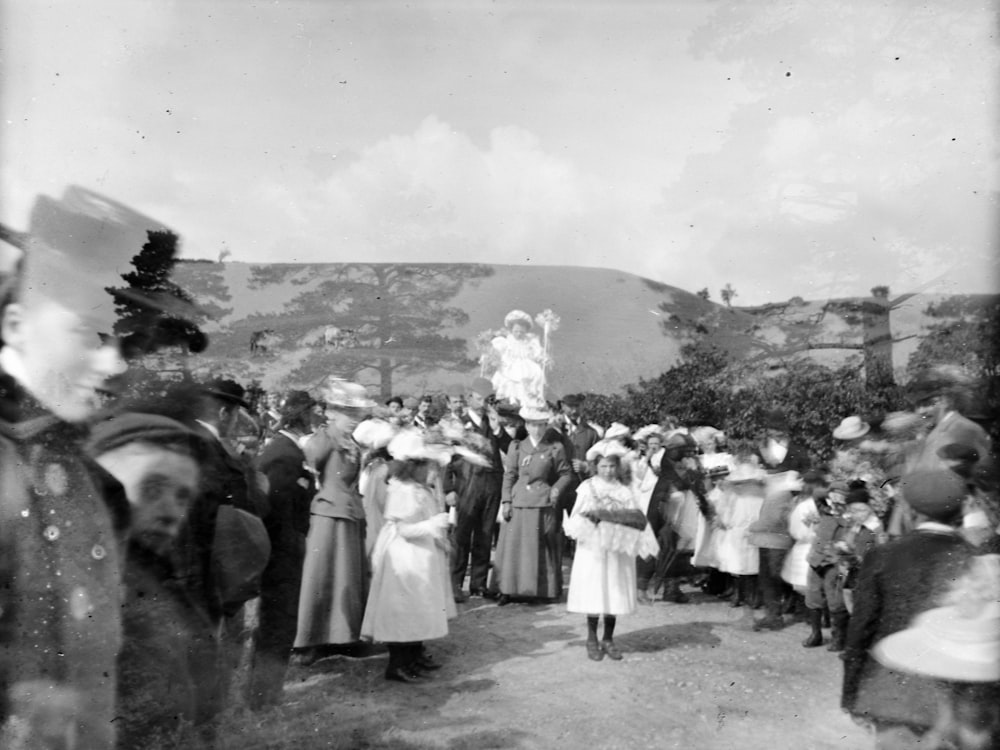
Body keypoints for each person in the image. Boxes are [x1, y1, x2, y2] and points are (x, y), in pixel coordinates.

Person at [0, 187, 182, 749]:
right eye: (90, 332)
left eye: (131, 344)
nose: (112, 365)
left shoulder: (83, 472)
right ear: (14, 324)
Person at [86, 412, 213, 748]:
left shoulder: (160, 583)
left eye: (182, 496)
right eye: (152, 487)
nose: (172, 511)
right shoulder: (67, 591)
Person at [842, 469, 976, 747]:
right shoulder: (977, 559)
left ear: (910, 510)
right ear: (961, 509)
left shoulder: (883, 556)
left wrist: (852, 692)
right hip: (958, 694)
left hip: (895, 690)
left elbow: (861, 626)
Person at [361, 430, 456, 682]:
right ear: (412, 466)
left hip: (419, 555)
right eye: (425, 464)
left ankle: (413, 656)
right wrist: (433, 525)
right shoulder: (402, 490)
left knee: (419, 608)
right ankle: (398, 664)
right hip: (405, 558)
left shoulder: (418, 488)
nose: (431, 470)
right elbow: (404, 528)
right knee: (404, 610)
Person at [294, 378, 375, 662]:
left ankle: (344, 636)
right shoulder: (325, 438)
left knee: (347, 576)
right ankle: (310, 641)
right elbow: (307, 468)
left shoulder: (351, 441)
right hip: (328, 516)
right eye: (348, 414)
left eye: (356, 414)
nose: (354, 420)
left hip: (350, 514)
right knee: (323, 576)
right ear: (333, 412)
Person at [246, 389, 316, 710]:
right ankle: (264, 697)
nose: (316, 418)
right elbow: (271, 508)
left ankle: (265, 693)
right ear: (300, 415)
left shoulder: (288, 450)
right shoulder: (283, 455)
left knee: (278, 623)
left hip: (284, 548)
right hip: (280, 552)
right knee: (278, 623)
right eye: (312, 412)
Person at [564, 442, 658, 661]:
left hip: (617, 547)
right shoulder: (588, 487)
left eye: (612, 467)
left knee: (613, 590)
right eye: (604, 466)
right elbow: (577, 516)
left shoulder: (624, 490)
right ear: (596, 466)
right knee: (595, 589)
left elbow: (636, 517)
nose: (608, 471)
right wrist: (589, 519)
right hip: (594, 547)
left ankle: (608, 638)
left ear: (618, 467)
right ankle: (591, 638)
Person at [495, 403, 572, 604]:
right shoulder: (517, 447)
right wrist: (506, 501)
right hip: (519, 501)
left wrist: (556, 489)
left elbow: (566, 474)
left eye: (541, 425)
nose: (537, 429)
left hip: (543, 502)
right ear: (526, 426)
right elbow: (509, 475)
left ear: (546, 425)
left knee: (540, 547)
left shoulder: (555, 448)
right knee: (514, 546)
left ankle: (541, 590)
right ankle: (507, 589)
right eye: (532, 425)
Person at [447, 377, 510, 601]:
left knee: (484, 535)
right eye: (479, 398)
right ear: (469, 398)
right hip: (467, 484)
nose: (482, 403)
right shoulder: (458, 424)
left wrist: (498, 430)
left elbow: (509, 448)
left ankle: (478, 584)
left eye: (487, 399)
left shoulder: (493, 422)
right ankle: (455, 583)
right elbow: (447, 458)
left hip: (491, 484)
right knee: (461, 536)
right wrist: (449, 489)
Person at [488, 310, 546, 406]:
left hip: (527, 366)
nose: (518, 334)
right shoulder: (507, 341)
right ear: (511, 330)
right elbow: (498, 352)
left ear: (526, 331)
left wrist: (541, 357)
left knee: (533, 374)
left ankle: (526, 400)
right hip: (509, 365)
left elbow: (536, 354)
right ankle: (512, 399)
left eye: (521, 332)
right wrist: (493, 357)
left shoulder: (530, 341)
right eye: (516, 331)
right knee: (510, 379)